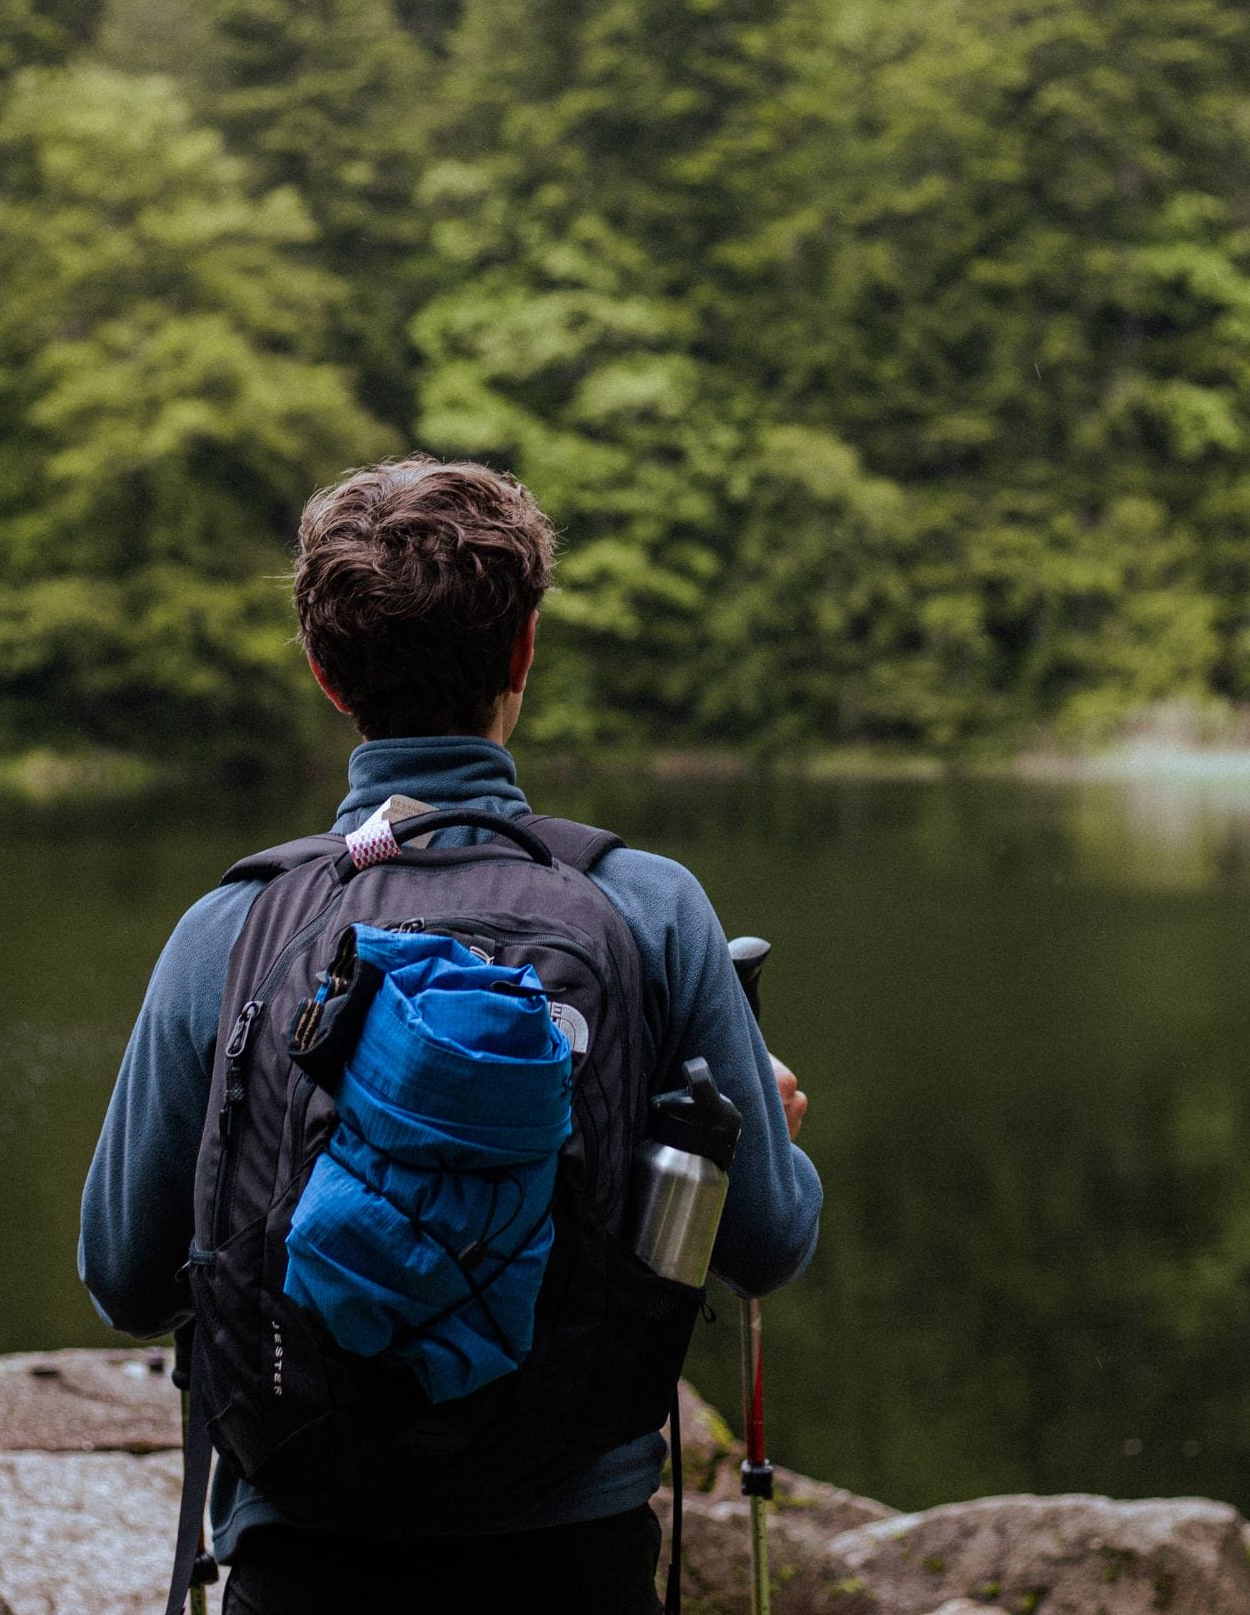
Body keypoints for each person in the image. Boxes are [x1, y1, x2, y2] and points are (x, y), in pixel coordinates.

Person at [79, 455, 821, 1615]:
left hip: (304, 1542)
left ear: (328, 676)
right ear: (523, 652)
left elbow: (125, 1278)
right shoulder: (651, 906)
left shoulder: (229, 927)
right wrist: (759, 1142)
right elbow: (767, 1246)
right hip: (569, 1543)